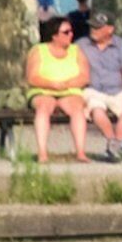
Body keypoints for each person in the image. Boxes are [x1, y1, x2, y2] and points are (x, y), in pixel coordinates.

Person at [23, 16, 92, 164]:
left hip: (69, 90)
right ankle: (42, 152)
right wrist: (52, 84)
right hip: (43, 90)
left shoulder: (76, 51)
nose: (71, 35)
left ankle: (80, 151)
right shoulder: (38, 51)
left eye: (71, 31)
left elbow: (84, 76)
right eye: (66, 32)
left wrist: (66, 84)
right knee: (43, 107)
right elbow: (32, 77)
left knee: (77, 109)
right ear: (54, 35)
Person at [77, 13, 122, 164]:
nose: (93, 30)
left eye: (98, 27)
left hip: (117, 90)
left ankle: (116, 144)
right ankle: (113, 142)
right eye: (92, 26)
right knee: (95, 107)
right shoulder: (81, 45)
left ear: (110, 29)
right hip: (92, 89)